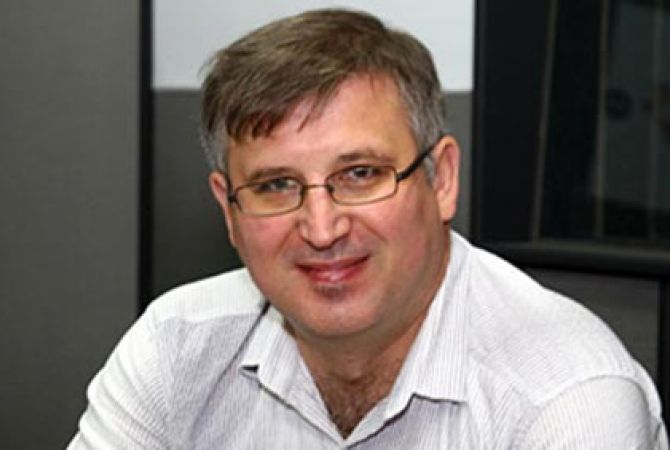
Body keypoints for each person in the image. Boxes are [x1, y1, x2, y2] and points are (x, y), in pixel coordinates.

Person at [69, 8, 667, 449]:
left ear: (442, 179)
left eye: (360, 174)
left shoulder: (567, 398)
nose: (321, 228)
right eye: (276, 185)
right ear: (229, 210)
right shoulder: (175, 345)